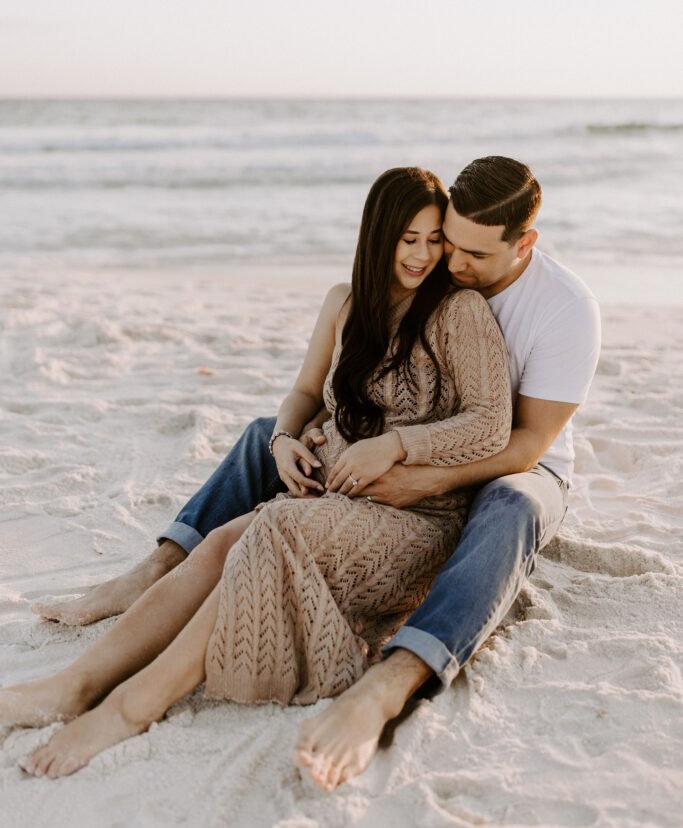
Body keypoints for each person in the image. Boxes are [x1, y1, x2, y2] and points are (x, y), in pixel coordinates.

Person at [2, 166, 512, 779]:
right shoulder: (347, 303)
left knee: (273, 530)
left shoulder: (460, 312)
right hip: (338, 499)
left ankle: (132, 707)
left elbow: (490, 424)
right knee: (220, 542)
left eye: (436, 240)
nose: (424, 255)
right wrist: (282, 441)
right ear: (378, 234)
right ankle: (75, 684)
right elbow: (302, 392)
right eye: (409, 238)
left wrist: (398, 446)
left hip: (418, 518)